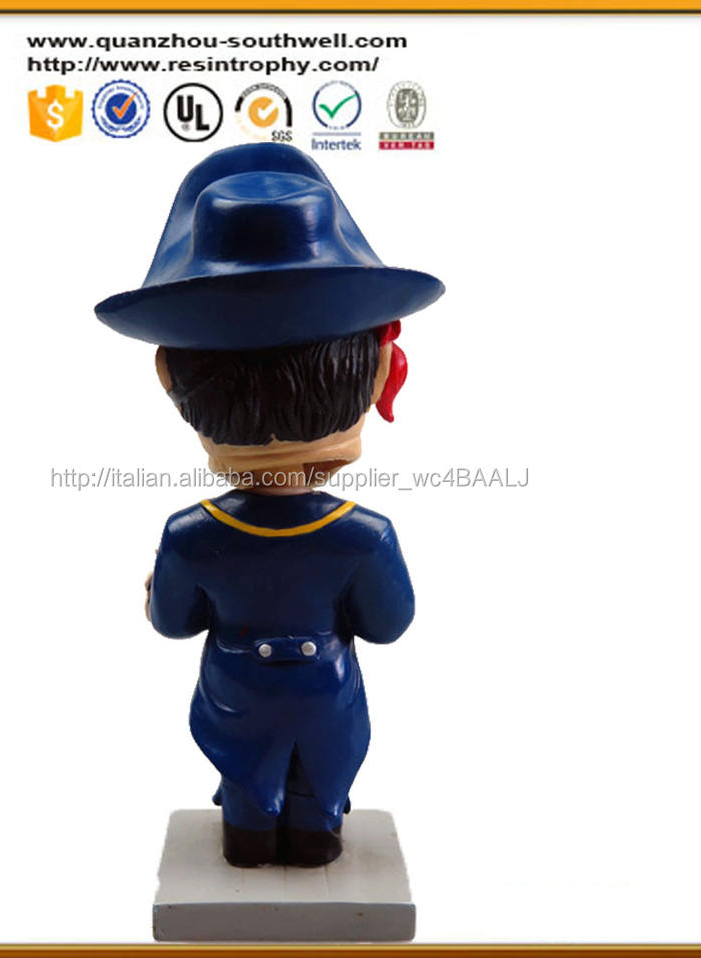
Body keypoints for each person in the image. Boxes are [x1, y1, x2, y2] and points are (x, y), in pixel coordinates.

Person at [95, 143, 444, 866]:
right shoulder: (366, 535)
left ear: (171, 379)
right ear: (381, 370)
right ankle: (314, 836)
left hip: (237, 694)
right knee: (320, 789)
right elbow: (389, 625)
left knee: (247, 786)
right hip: (327, 695)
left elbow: (172, 622)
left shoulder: (190, 534)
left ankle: (250, 835)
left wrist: (155, 591)